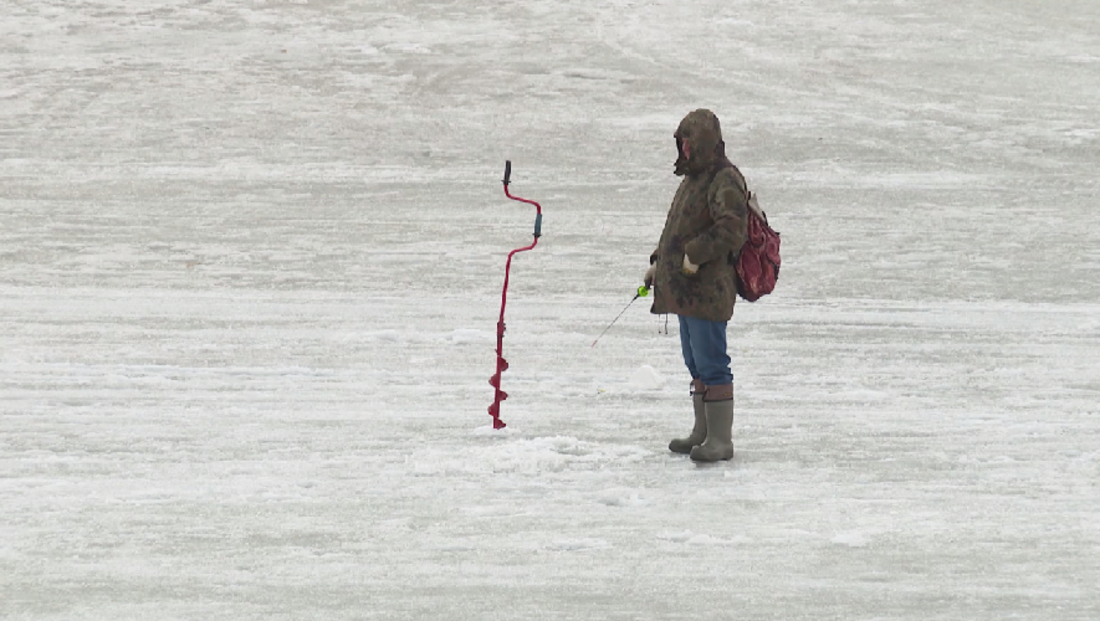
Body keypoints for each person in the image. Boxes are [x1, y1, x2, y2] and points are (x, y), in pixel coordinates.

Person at [644, 109, 749, 462]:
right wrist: (659, 264)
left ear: (702, 142)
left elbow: (732, 228)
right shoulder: (693, 178)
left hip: (707, 291)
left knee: (711, 361)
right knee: (694, 360)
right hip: (686, 292)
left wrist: (695, 255)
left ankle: (721, 440)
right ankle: (702, 432)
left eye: (689, 143)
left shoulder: (724, 178)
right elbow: (679, 228)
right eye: (681, 143)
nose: (684, 150)